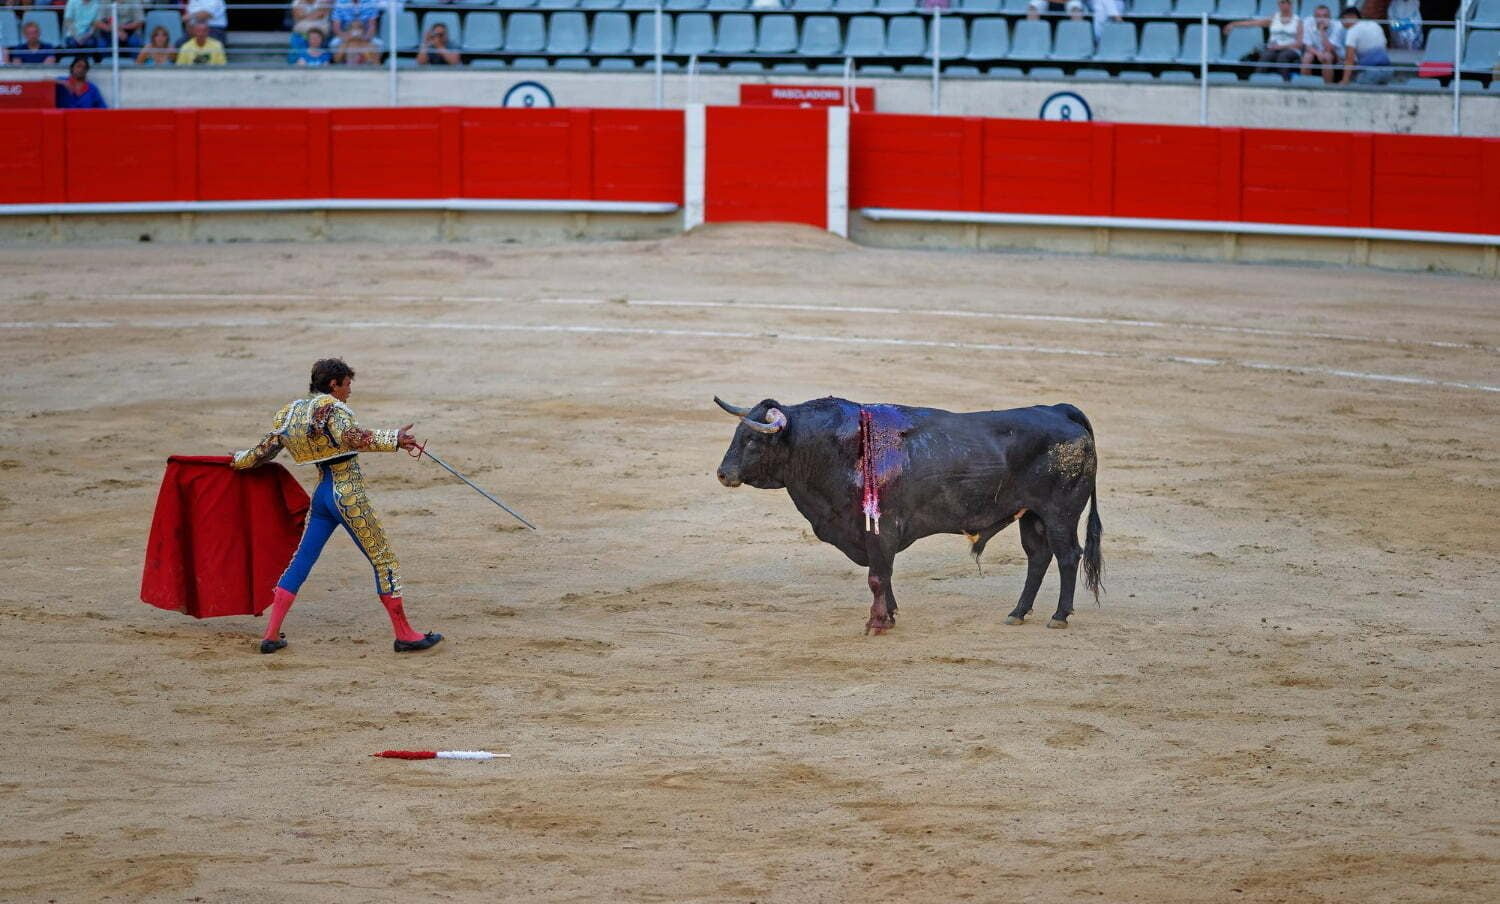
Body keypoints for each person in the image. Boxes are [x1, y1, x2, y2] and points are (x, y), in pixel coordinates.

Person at [231, 358, 442, 655]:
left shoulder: (291, 413)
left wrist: (236, 460)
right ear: (334, 384)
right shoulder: (333, 408)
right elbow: (351, 438)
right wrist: (394, 438)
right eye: (347, 385)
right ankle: (404, 634)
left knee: (301, 561)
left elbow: (263, 451)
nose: (349, 391)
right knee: (384, 560)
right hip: (347, 495)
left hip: (322, 496)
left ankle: (271, 633)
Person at [1224, 0, 1304, 81]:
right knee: (1266, 56)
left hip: (1291, 49)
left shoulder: (1297, 21)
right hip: (1273, 48)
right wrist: (1233, 24)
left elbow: (1299, 43)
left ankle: (1285, 82)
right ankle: (1257, 80)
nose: (1284, 5)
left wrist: (1280, 47)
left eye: (1287, 2)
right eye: (1282, 2)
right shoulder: (1274, 18)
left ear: (1291, 4)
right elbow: (1253, 23)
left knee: (1282, 57)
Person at [1340, 6, 1390, 85]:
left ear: (1351, 17)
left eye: (1343, 19)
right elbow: (1384, 46)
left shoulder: (1353, 30)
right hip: (1387, 71)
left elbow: (1349, 59)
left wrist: (1344, 80)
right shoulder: (1375, 25)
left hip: (1370, 72)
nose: (1342, 23)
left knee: (1356, 91)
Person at [1301, 4, 1345, 82]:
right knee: (1307, 57)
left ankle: (1327, 87)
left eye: (1325, 16)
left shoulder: (1337, 25)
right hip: (1315, 52)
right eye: (1318, 16)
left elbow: (1329, 48)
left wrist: (1322, 31)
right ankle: (1306, 85)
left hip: (1334, 54)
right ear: (1314, 17)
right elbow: (1307, 46)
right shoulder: (1307, 22)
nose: (1322, 19)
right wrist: (1318, 54)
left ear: (1330, 17)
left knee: (1327, 56)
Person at [331, 0, 383, 65]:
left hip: (365, 33)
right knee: (334, 44)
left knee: (378, 44)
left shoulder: (370, 2)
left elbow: (372, 25)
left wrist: (365, 38)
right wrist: (346, 37)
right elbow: (336, 27)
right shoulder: (340, 2)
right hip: (345, 33)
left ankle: (371, 64)